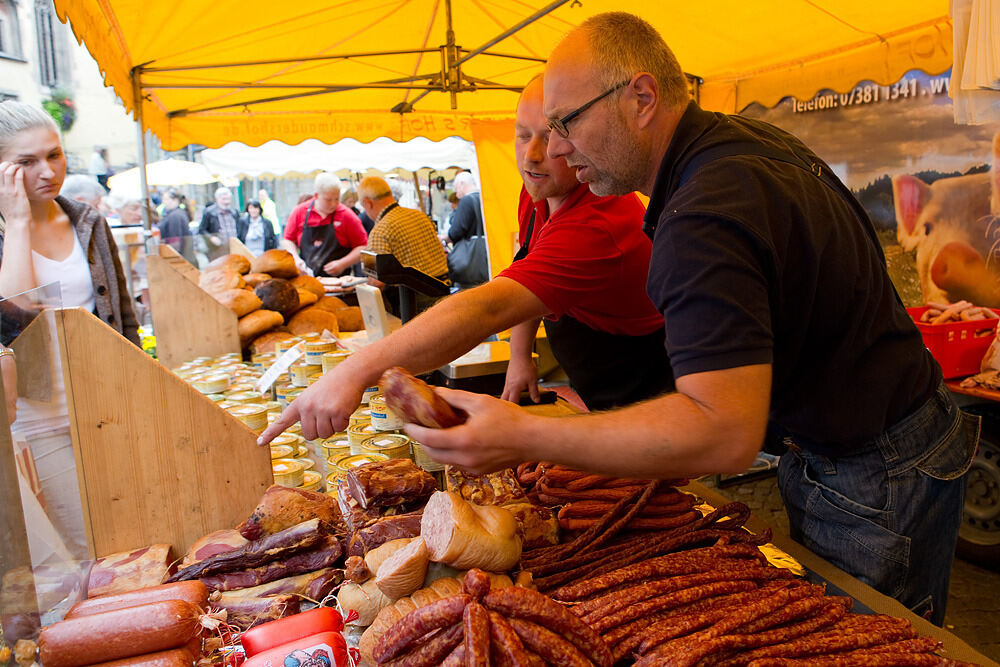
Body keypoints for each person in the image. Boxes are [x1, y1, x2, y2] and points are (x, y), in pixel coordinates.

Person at [392, 13, 978, 625]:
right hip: (857, 441)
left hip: (874, 466)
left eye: (568, 123)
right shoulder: (729, 148)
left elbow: (723, 432)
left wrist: (519, 433)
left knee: (871, 642)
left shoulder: (703, 214)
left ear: (642, 98)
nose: (557, 147)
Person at [260, 74, 670, 442]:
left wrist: (354, 371)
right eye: (522, 135)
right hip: (589, 373)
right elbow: (527, 265)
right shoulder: (537, 193)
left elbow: (490, 308)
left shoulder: (601, 220)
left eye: (550, 136)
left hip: (640, 374)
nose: (531, 155)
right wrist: (520, 356)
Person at [0, 101, 139, 346]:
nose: (49, 173)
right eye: (27, 162)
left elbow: (124, 314)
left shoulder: (89, 220)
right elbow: (15, 324)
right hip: (34, 381)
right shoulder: (9, 230)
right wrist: (17, 222)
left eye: (54, 155)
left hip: (104, 373)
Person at [357, 175, 450, 315]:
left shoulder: (380, 230)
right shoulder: (419, 216)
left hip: (412, 303)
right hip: (443, 292)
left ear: (368, 203)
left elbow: (377, 282)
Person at [281, 173, 367, 277]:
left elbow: (362, 246)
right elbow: (288, 240)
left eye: (337, 199)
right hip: (306, 278)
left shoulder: (347, 215)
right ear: (316, 195)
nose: (333, 204)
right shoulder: (299, 212)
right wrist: (295, 259)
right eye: (329, 200)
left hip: (338, 282)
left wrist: (343, 264)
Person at [444, 171, 489, 287]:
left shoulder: (466, 201)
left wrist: (446, 237)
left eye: (456, 188)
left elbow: (456, 231)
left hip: (470, 260)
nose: (456, 193)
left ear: (462, 184)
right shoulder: (484, 197)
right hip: (485, 256)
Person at [158, 189, 193, 254]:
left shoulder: (175, 215)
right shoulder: (177, 213)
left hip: (175, 255)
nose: (163, 202)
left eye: (166, 199)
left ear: (175, 200)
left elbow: (175, 242)